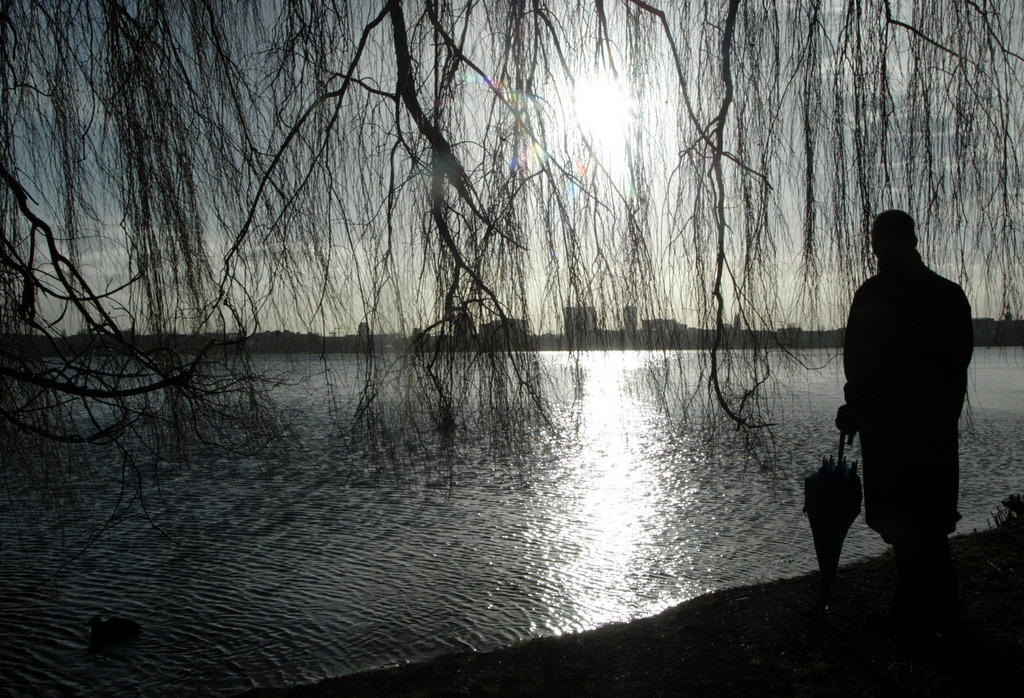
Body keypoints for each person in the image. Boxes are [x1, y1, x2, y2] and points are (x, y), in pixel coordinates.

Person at [835, 209, 973, 636]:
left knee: (903, 517)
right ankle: (932, 603)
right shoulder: (949, 295)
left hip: (892, 430)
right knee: (927, 517)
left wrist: (856, 409)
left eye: (876, 240)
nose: (874, 249)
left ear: (880, 244)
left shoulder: (875, 295)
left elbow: (860, 363)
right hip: (932, 429)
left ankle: (919, 606)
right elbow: (957, 365)